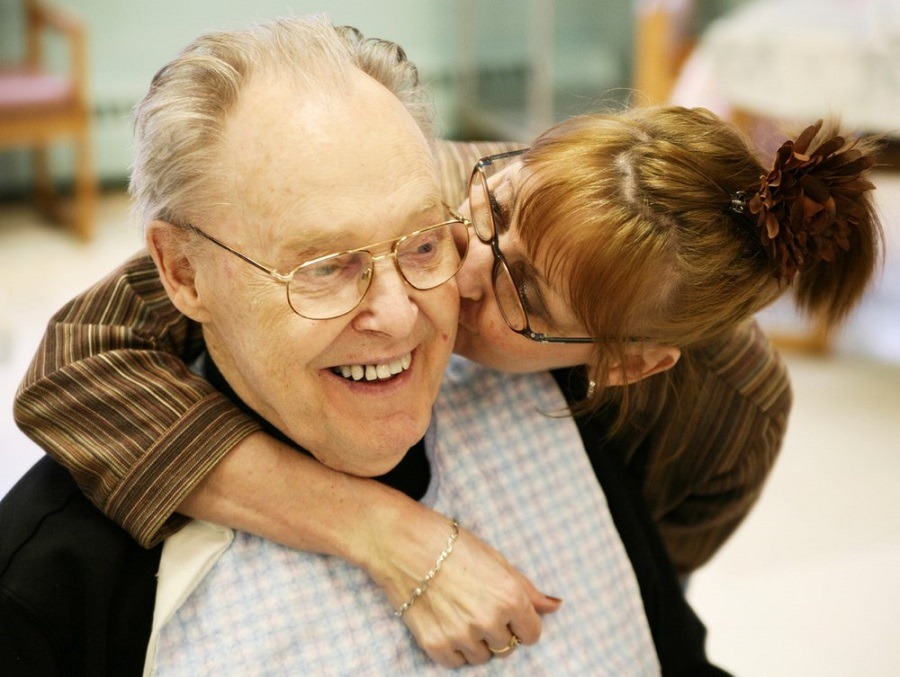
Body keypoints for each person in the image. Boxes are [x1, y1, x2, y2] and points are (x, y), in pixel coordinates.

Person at [10, 15, 880, 672]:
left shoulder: (702, 408)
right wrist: (379, 526)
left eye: (526, 297)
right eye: (326, 264)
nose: (448, 280)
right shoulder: (430, 176)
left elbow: (663, 583)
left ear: (619, 363)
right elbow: (79, 359)